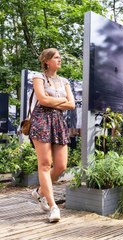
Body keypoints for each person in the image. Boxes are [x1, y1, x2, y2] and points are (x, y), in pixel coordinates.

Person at [30, 48, 75, 222]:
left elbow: (71, 105)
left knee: (61, 166)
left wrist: (54, 101)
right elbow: (42, 100)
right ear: (47, 61)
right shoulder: (38, 77)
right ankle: (53, 206)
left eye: (60, 57)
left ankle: (40, 192)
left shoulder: (64, 81)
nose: (60, 59)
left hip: (58, 121)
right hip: (41, 120)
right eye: (57, 57)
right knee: (45, 164)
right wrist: (62, 101)